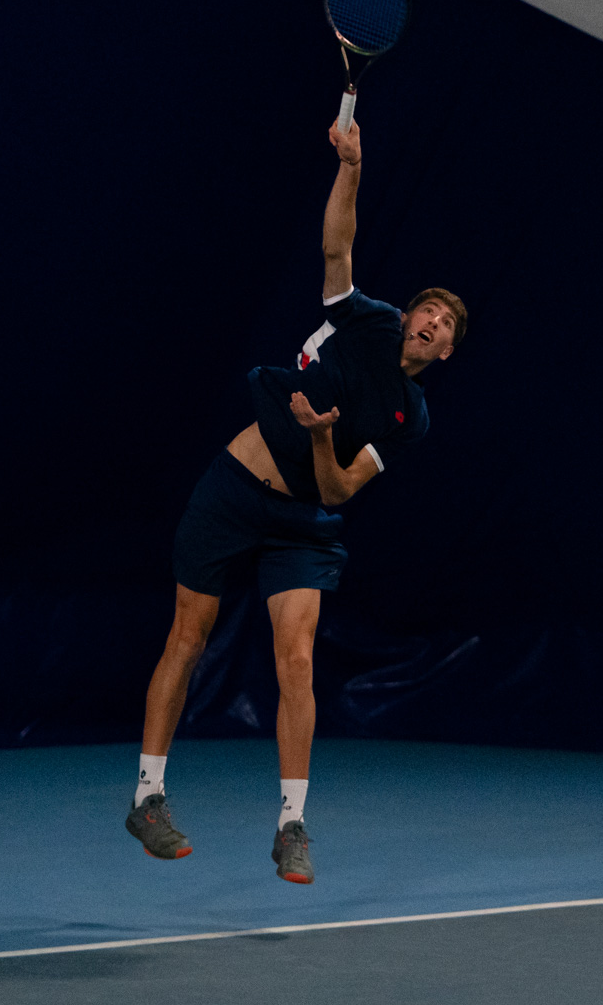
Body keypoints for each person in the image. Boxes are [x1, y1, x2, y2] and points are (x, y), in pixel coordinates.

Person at [125, 118, 468, 884]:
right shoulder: (369, 322)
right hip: (234, 489)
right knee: (189, 637)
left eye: (445, 325)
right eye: (428, 310)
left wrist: (320, 435)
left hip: (304, 524)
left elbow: (340, 487)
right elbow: (337, 251)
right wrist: (351, 167)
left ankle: (292, 823)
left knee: (298, 658)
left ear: (445, 351)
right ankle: (147, 796)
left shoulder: (412, 416)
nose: (432, 321)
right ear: (408, 318)